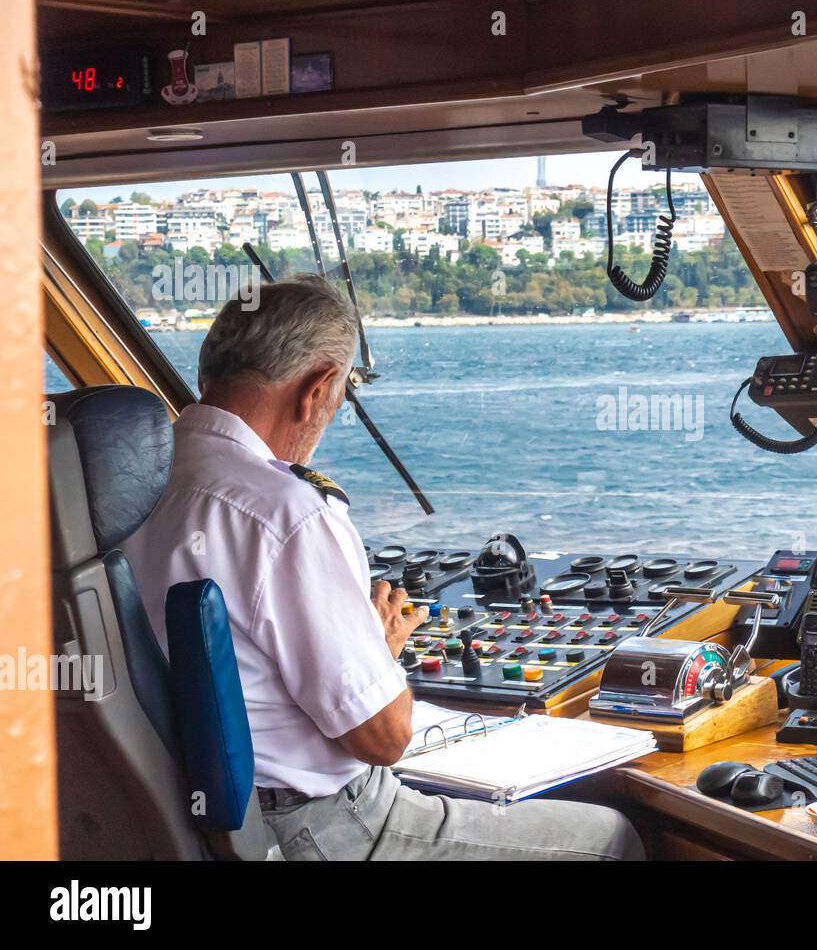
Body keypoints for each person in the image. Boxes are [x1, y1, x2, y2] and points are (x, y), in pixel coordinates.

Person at [124, 274, 643, 861]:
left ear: (206, 374)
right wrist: (377, 648)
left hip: (182, 818)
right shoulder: (287, 514)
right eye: (343, 392)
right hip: (315, 826)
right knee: (611, 839)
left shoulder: (133, 486)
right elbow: (383, 737)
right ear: (317, 388)